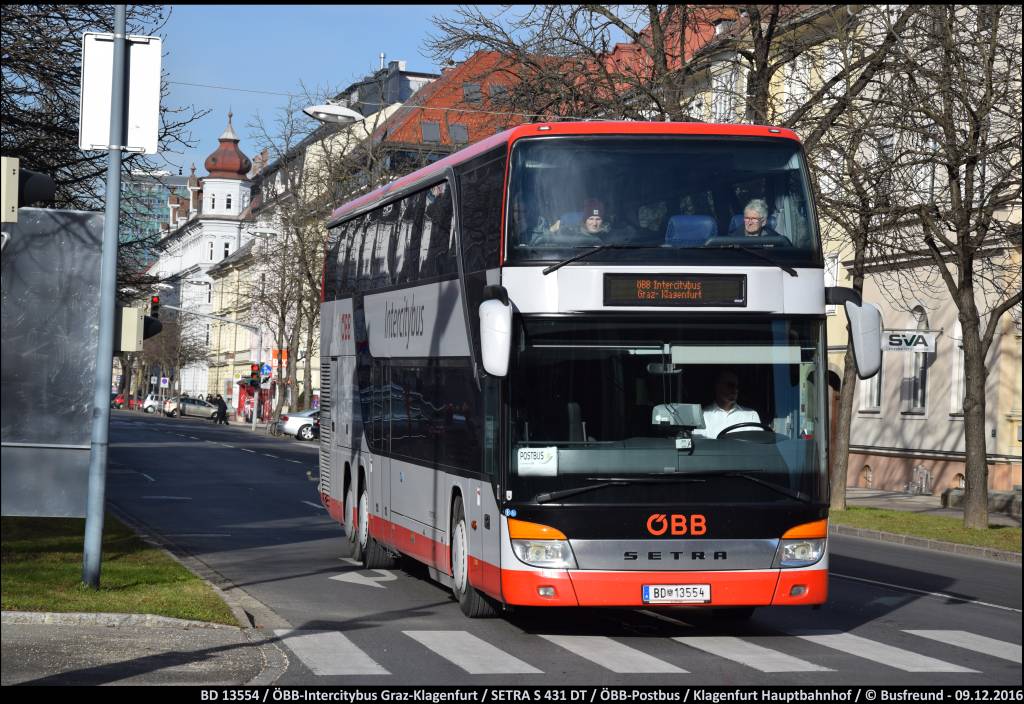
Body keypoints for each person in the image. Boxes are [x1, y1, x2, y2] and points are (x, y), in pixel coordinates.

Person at [694, 369, 762, 439]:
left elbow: (757, 445)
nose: (735, 390)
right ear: (718, 386)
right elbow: (700, 444)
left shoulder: (751, 415)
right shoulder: (702, 416)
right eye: (730, 385)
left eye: (737, 386)